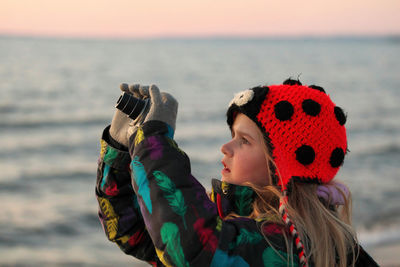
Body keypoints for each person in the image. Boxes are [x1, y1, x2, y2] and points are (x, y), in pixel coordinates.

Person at [95, 79, 378, 266]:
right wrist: (120, 151)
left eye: (244, 140)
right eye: (232, 135)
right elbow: (136, 234)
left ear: (280, 165)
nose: (226, 147)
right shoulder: (234, 218)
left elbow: (193, 250)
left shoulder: (290, 245)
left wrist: (154, 142)